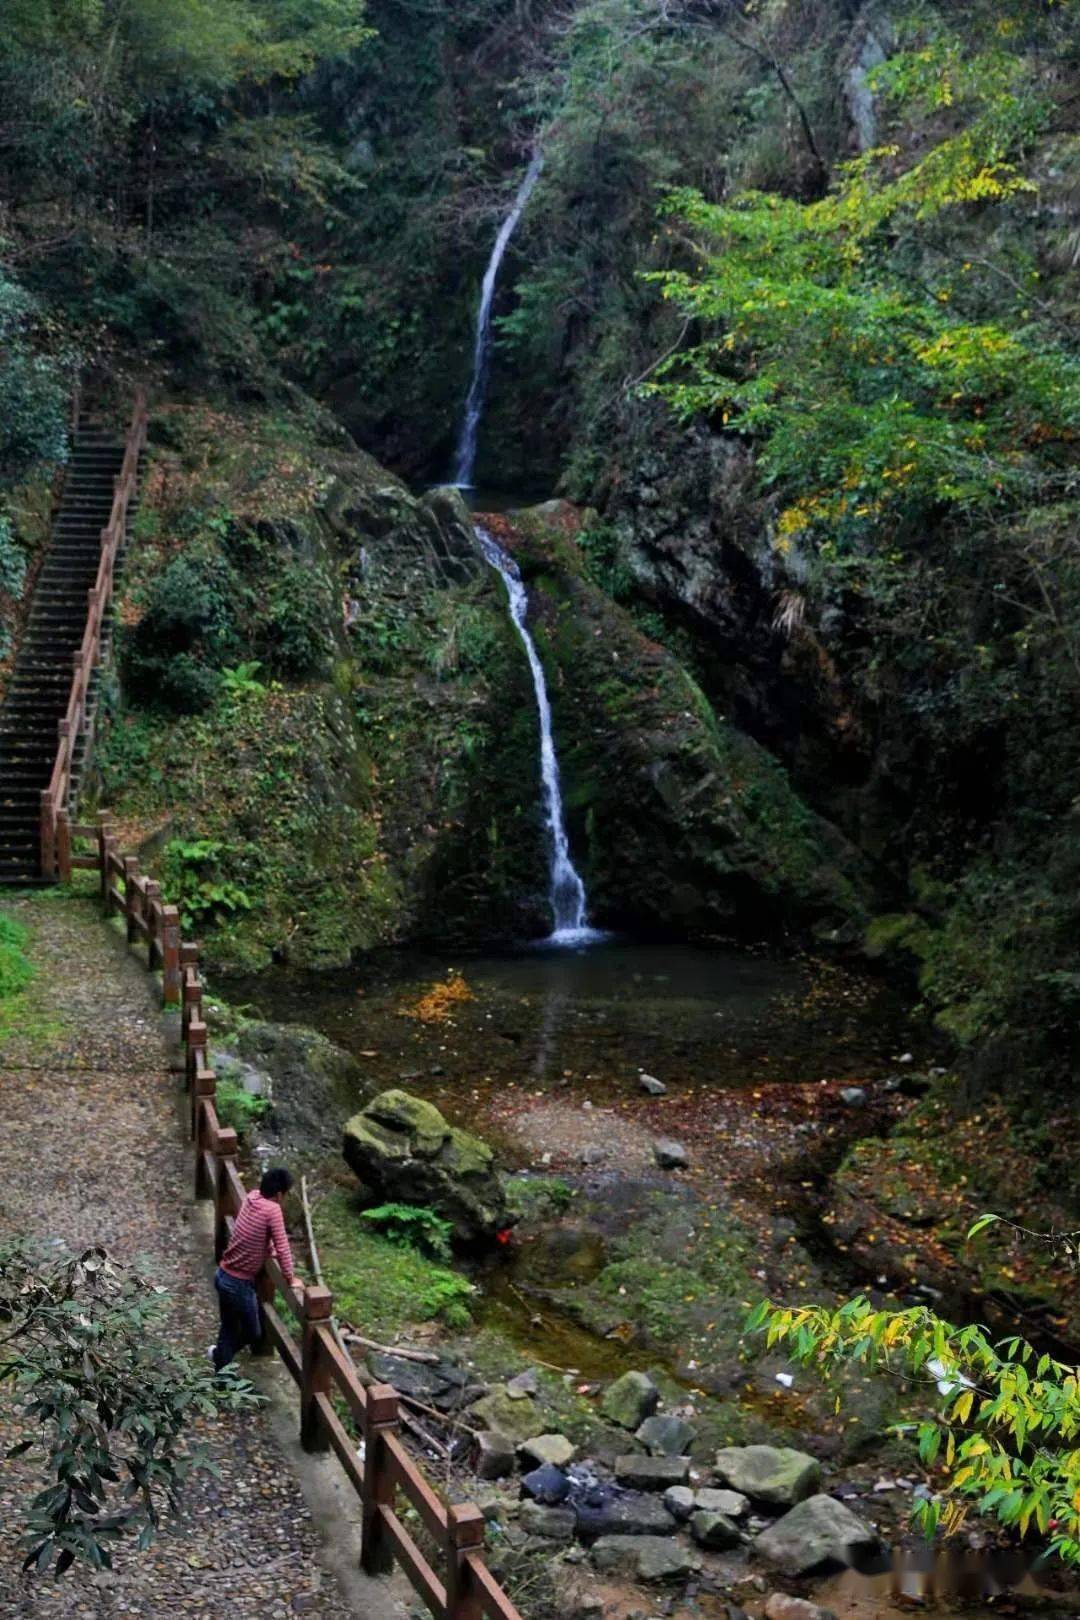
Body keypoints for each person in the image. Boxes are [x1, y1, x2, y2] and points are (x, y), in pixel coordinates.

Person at [209, 1166, 299, 1371]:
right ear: (279, 1194)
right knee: (252, 1332)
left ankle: (220, 1372)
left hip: (223, 1274)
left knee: (229, 1327)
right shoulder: (273, 1210)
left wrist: (267, 1248)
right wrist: (290, 1278)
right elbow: (283, 1246)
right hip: (238, 1283)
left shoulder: (252, 1197)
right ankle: (220, 1355)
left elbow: (253, 1230)